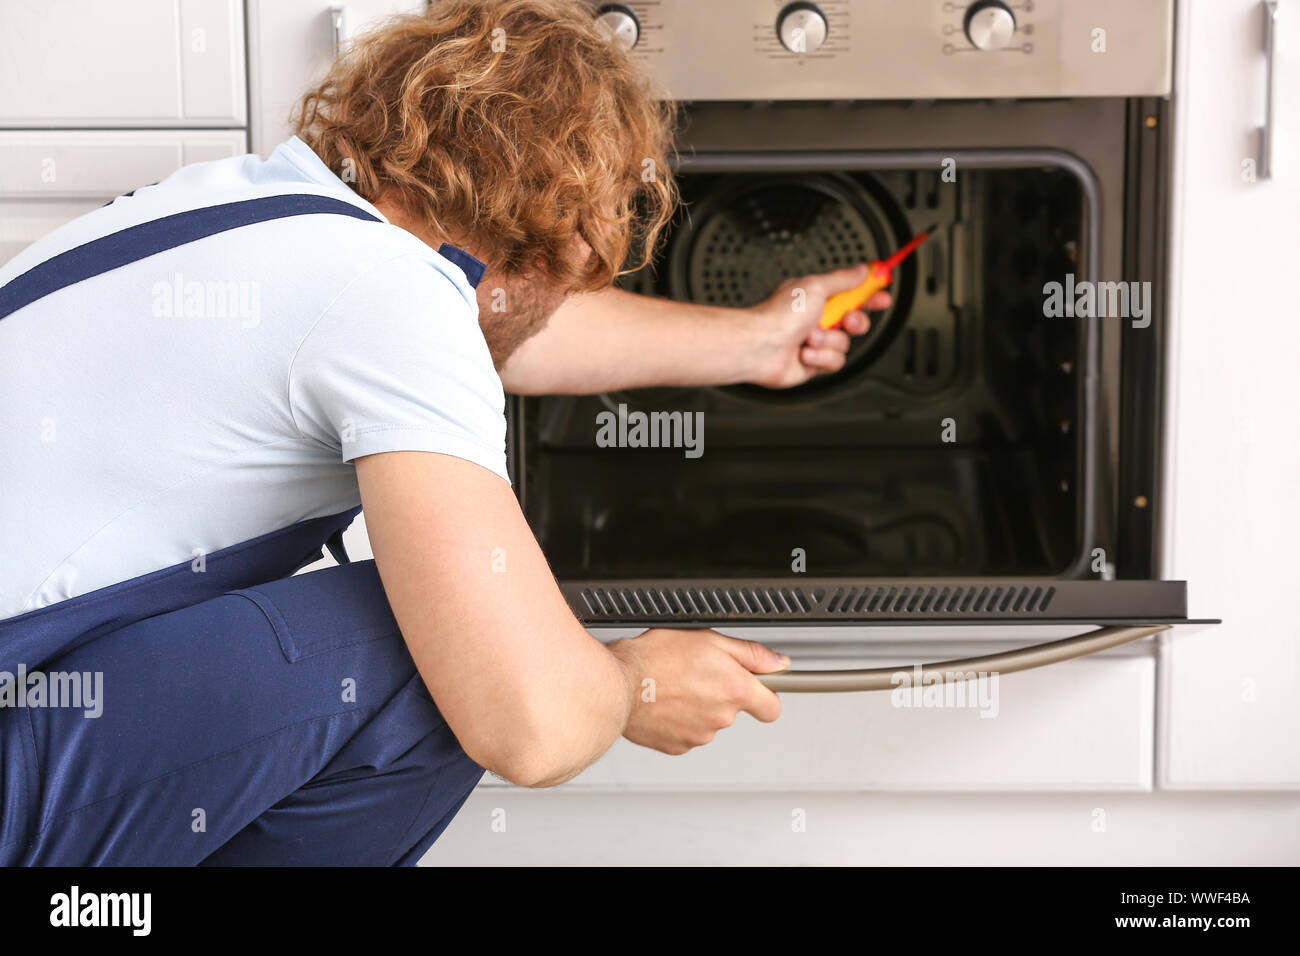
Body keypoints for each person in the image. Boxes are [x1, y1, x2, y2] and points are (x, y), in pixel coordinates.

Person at [0, 0, 888, 865]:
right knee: (432, 649)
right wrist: (626, 685)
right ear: (565, 237)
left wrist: (759, 340)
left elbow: (505, 329)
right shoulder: (392, 301)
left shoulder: (268, 213)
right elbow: (528, 725)